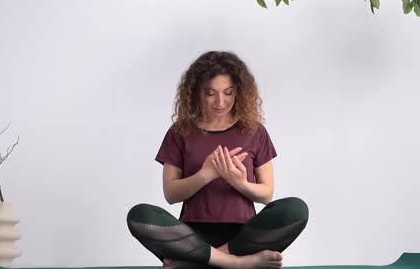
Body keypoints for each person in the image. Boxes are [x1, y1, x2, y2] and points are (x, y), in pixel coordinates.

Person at [127, 51, 308, 269]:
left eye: (228, 92)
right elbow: (171, 194)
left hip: (243, 236)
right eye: (210, 93)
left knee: (295, 210)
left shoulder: (255, 131)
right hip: (191, 236)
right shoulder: (179, 131)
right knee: (140, 215)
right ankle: (236, 264)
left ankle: (202, 262)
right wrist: (206, 175)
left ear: (239, 92)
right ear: (196, 93)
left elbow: (266, 194)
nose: (220, 102)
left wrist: (239, 182)